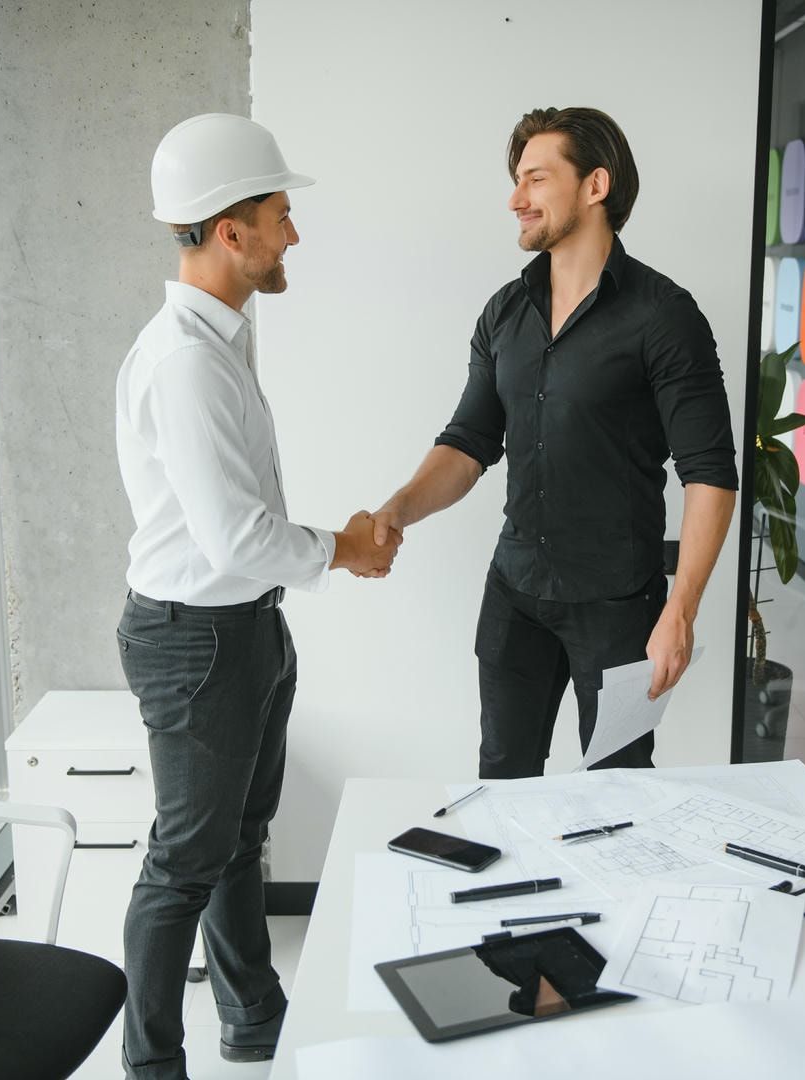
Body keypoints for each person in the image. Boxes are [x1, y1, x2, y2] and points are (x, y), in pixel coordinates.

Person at [114, 113, 399, 1077]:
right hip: (197, 640)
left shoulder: (215, 340)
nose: (293, 235)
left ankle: (253, 1020)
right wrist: (345, 550)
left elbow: (235, 530)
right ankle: (151, 1064)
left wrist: (323, 557)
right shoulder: (188, 362)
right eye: (280, 214)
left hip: (241, 628)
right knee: (184, 862)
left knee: (238, 842)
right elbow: (235, 537)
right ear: (229, 231)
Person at [372, 107, 738, 778]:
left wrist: (679, 612)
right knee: (503, 783)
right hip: (515, 594)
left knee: (618, 794)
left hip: (620, 609)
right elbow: (469, 441)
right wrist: (396, 510)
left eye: (535, 179)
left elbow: (710, 473)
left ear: (595, 185)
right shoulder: (504, 312)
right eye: (516, 181)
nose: (516, 200)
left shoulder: (664, 316)